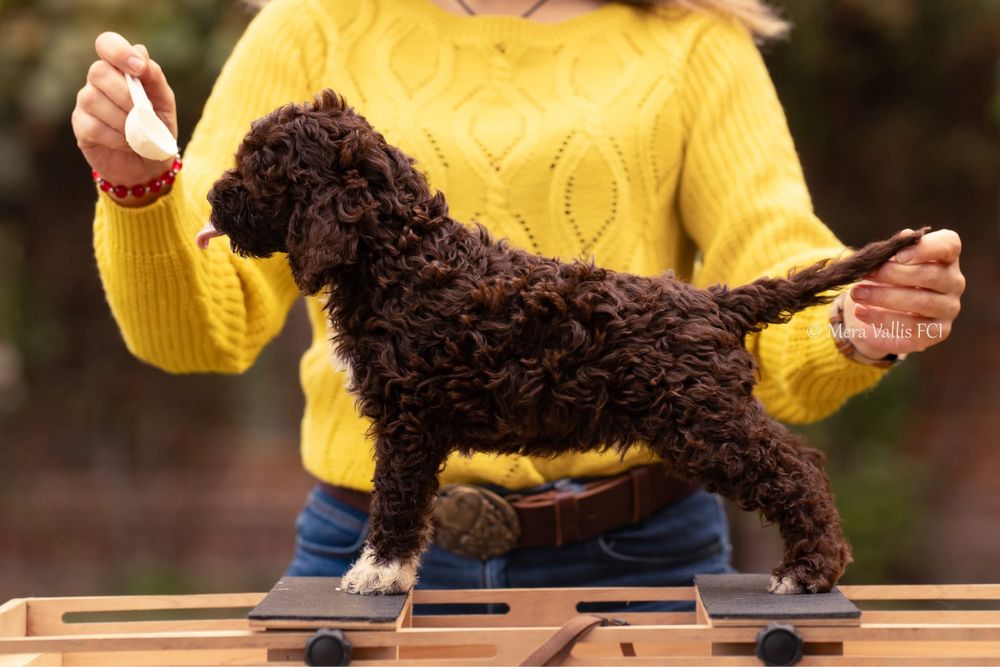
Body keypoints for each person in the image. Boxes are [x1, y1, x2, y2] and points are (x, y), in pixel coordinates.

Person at [72, 0, 965, 600]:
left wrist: (856, 319)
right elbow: (200, 330)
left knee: (719, 429)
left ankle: (811, 526)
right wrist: (143, 192)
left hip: (644, 561)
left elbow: (773, 261)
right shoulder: (308, 26)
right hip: (353, 559)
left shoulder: (696, 38)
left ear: (328, 227)